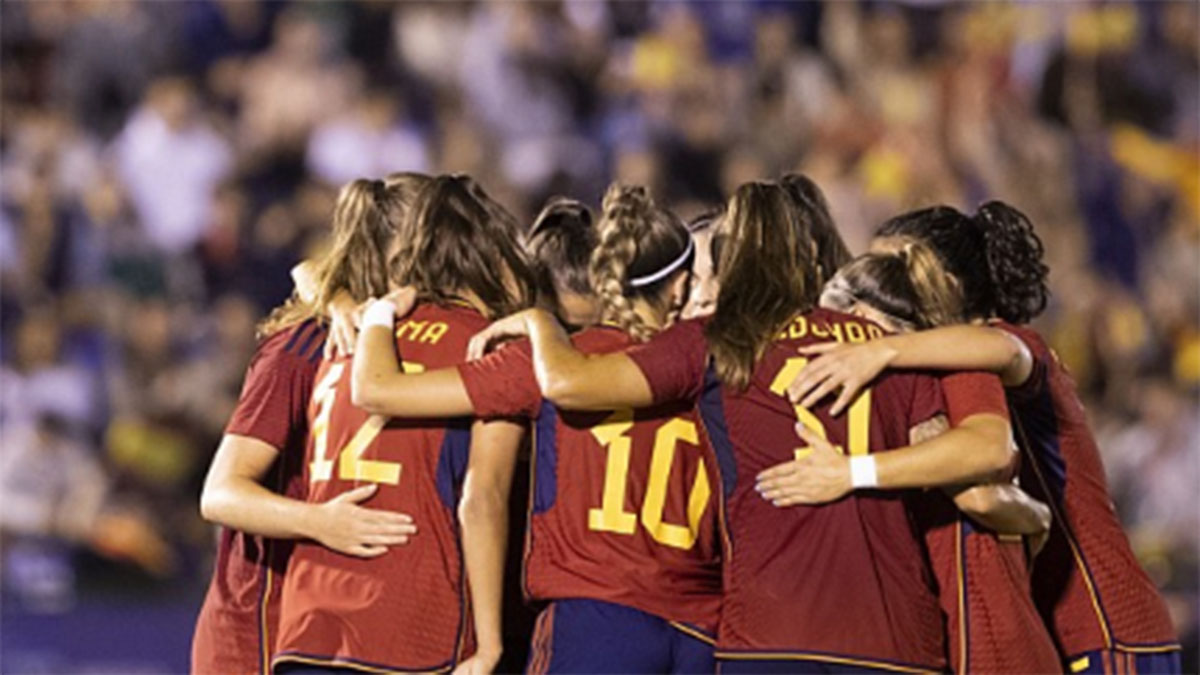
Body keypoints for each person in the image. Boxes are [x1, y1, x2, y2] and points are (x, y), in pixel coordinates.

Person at [466, 181, 1043, 673]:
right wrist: (860, 471)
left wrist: (542, 326)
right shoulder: (894, 346)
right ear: (816, 262)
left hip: (770, 634)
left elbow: (571, 384)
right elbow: (981, 457)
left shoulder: (717, 344)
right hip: (897, 642)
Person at [785, 203, 1182, 674]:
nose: (878, 282)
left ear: (948, 282)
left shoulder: (987, 348)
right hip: (1067, 623)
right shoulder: (937, 361)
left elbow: (1002, 367)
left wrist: (881, 351)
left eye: (895, 268)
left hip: (1101, 620)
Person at [350, 184, 722, 673]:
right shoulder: (710, 360)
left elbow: (379, 389)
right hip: (699, 631)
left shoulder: (540, 360)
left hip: (594, 621)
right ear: (678, 289)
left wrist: (372, 311)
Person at [269, 175, 533, 674]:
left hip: (308, 621)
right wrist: (489, 643)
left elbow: (311, 275)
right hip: (411, 622)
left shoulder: (346, 335)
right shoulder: (490, 349)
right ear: (491, 255)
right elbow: (482, 499)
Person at [771, 240, 1061, 673]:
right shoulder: (874, 384)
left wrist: (853, 472)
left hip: (986, 636)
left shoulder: (949, 371)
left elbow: (981, 483)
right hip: (934, 633)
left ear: (861, 319)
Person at [192, 174, 429, 675]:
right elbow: (220, 493)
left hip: (330, 627)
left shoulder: (402, 343)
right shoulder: (302, 348)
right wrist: (319, 521)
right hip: (257, 625)